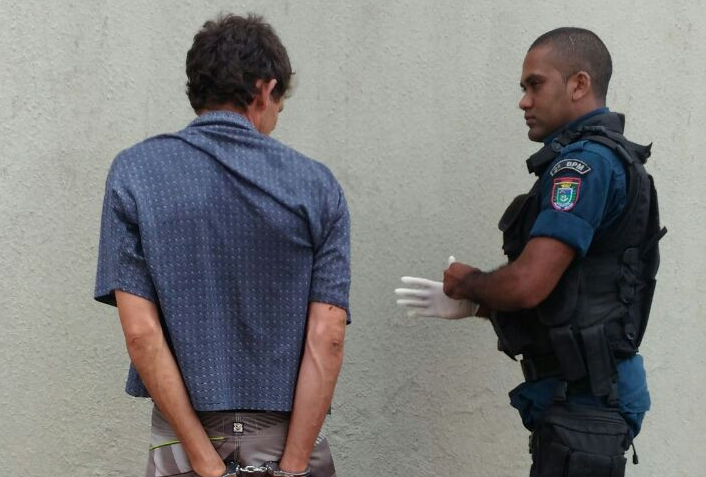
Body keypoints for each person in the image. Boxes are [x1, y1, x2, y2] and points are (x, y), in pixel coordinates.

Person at [396, 27, 665, 476]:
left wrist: (468, 283)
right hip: (583, 403)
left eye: (535, 85)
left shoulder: (584, 165)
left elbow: (529, 284)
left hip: (585, 407)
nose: (524, 101)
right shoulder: (601, 159)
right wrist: (479, 306)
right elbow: (572, 298)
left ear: (579, 84)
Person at [95, 14, 350, 477]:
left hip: (181, 442)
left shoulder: (136, 173)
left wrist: (203, 459)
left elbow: (141, 335)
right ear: (264, 91)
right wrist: (294, 466)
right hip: (286, 438)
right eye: (279, 105)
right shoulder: (316, 185)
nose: (274, 120)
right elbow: (327, 337)